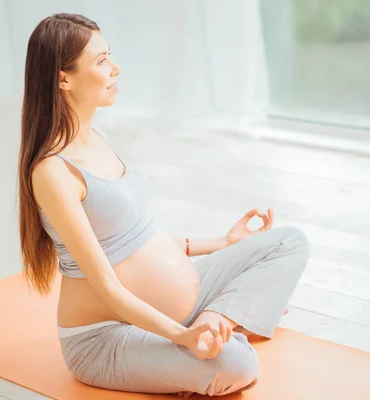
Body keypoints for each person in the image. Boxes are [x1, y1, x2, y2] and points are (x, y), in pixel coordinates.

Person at [17, 12, 310, 397]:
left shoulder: (97, 137)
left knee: (288, 242)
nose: (116, 68)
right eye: (102, 61)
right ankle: (225, 326)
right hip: (110, 336)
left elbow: (138, 240)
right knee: (238, 366)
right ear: (63, 78)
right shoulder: (53, 172)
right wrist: (183, 337)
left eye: (110, 56)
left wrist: (222, 243)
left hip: (182, 306)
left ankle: (217, 322)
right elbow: (108, 286)